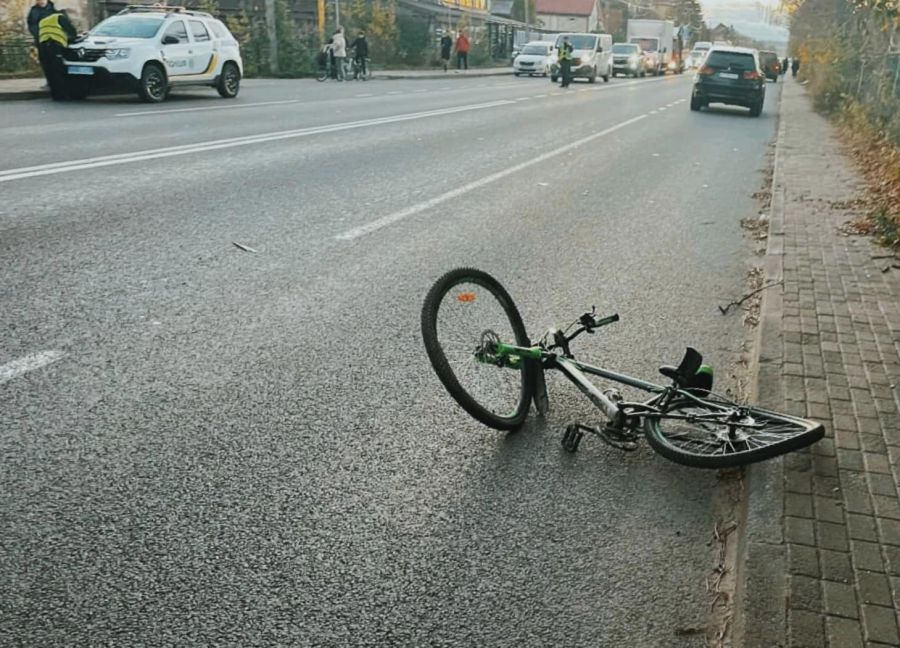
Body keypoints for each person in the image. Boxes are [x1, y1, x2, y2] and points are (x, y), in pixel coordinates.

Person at [37, 6, 77, 100]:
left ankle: (55, 95)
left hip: (43, 47)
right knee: (58, 71)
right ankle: (62, 95)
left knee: (50, 72)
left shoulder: (43, 21)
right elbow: (72, 31)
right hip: (54, 47)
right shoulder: (60, 17)